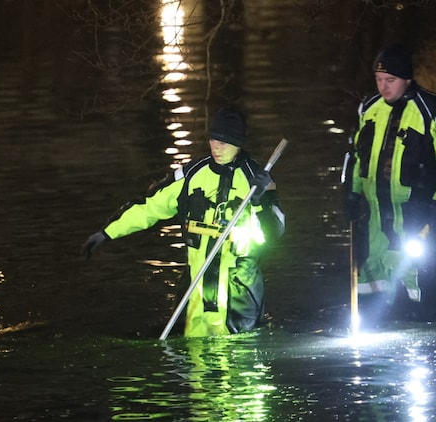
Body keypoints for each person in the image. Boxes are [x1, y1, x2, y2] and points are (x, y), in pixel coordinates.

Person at [82, 107, 286, 336]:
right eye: (213, 139)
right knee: (192, 359)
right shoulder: (191, 174)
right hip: (194, 289)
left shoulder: (256, 179)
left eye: (225, 142)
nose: (217, 147)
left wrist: (260, 202)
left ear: (238, 143)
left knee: (241, 360)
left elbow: (274, 232)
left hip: (239, 293)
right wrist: (108, 232)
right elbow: (150, 206)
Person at [343, 43, 436, 320]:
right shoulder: (369, 108)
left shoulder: (432, 110)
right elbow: (354, 156)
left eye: (391, 80)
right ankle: (373, 334)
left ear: (407, 79)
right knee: (370, 279)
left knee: (419, 280)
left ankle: (427, 328)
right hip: (376, 216)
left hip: (417, 217)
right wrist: (350, 194)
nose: (383, 87)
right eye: (379, 80)